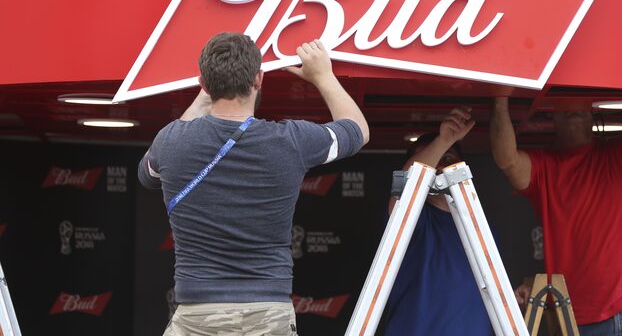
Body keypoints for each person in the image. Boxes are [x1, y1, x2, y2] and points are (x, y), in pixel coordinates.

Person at [138, 33, 368, 336]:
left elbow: (147, 175)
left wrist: (204, 96)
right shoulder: (290, 141)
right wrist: (324, 76)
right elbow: (357, 131)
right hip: (269, 311)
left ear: (204, 84)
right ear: (259, 79)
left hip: (198, 313)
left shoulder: (172, 140)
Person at [490, 97, 622, 336]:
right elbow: (507, 160)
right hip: (583, 320)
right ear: (551, 114)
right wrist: (501, 99)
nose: (573, 109)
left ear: (593, 111)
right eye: (565, 103)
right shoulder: (545, 168)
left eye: (579, 102)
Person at [382, 106, 493, 336]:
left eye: (448, 158)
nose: (440, 167)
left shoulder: (476, 223)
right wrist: (444, 140)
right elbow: (404, 194)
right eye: (432, 161)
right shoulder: (414, 220)